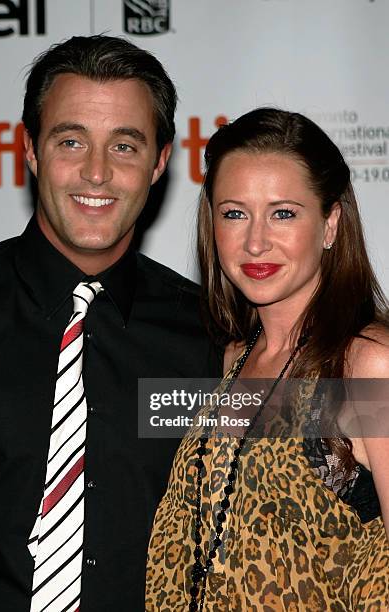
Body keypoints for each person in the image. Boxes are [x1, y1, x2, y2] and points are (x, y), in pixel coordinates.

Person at [0, 35, 221, 611]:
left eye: (124, 146)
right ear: (29, 150)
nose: (95, 173)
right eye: (71, 140)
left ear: (160, 161)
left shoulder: (209, 335)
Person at [146, 108, 389, 611]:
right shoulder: (230, 359)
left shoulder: (367, 365)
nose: (256, 241)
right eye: (234, 213)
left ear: (330, 223)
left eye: (283, 213)